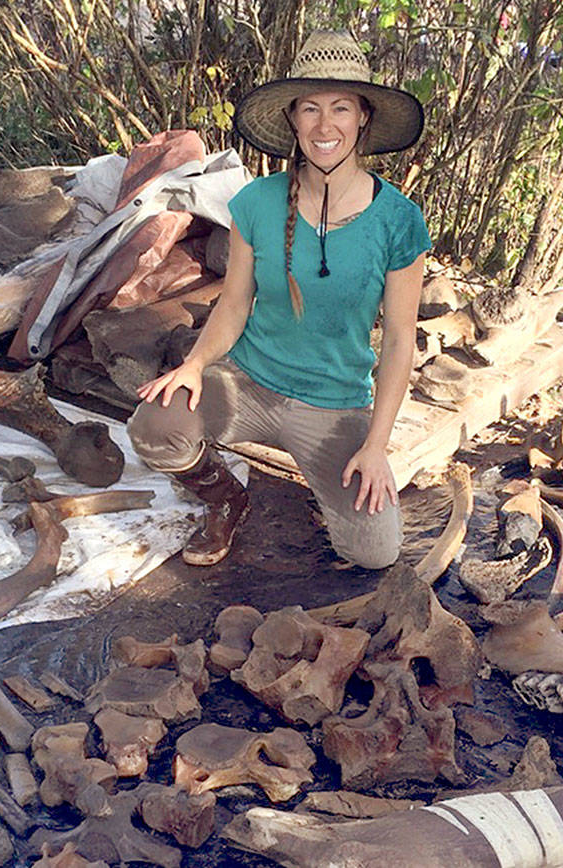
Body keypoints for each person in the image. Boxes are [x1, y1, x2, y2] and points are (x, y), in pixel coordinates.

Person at [127, 30, 430, 569]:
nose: (324, 124)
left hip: (333, 405)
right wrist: (195, 365)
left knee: (375, 554)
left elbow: (401, 339)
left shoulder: (398, 219)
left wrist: (376, 444)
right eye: (309, 108)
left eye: (340, 107)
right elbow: (235, 303)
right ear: (292, 120)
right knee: (155, 426)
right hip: (247, 383)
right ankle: (226, 498)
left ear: (363, 117)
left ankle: (328, 486)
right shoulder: (257, 203)